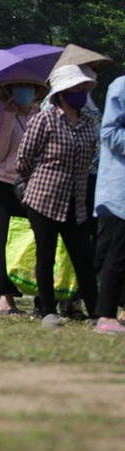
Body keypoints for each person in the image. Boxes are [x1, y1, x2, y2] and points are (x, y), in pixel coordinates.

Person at [16, 64, 100, 327]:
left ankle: (97, 312)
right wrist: (36, 183)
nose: (81, 93)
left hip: (76, 200)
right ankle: (47, 309)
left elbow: (91, 158)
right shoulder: (46, 118)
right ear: (62, 93)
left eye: (83, 88)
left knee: (83, 257)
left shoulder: (88, 122)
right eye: (75, 88)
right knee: (46, 255)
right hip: (44, 198)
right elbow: (24, 159)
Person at [0, 73, 48, 315]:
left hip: (34, 184)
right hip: (3, 184)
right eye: (18, 86)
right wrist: (10, 119)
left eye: (28, 87)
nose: (24, 90)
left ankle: (40, 298)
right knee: (2, 241)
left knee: (37, 241)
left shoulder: (41, 117)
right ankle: (5, 298)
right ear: (10, 91)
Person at [92, 74, 125, 334]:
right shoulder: (121, 86)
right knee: (116, 254)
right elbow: (109, 132)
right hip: (118, 189)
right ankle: (105, 315)